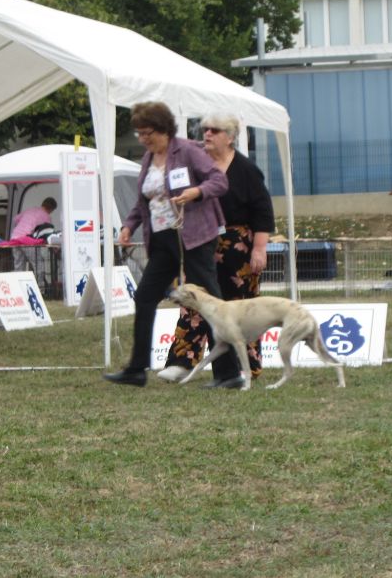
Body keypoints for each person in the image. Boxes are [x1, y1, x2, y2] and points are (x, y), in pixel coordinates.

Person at [104, 101, 235, 388]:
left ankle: (229, 373)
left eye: (147, 132)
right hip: (162, 239)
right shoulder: (148, 159)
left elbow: (219, 181)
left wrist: (197, 192)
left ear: (163, 128)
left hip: (195, 237)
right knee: (145, 296)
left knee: (210, 303)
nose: (142, 139)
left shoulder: (187, 150)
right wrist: (128, 226)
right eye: (139, 133)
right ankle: (136, 369)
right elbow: (144, 201)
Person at [158, 114, 275, 383]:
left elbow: (263, 212)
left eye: (215, 130)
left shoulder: (246, 170)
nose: (207, 134)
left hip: (238, 245)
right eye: (205, 130)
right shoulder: (196, 162)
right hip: (200, 239)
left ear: (230, 137)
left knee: (240, 307)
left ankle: (245, 366)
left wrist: (259, 248)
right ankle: (181, 361)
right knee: (193, 299)